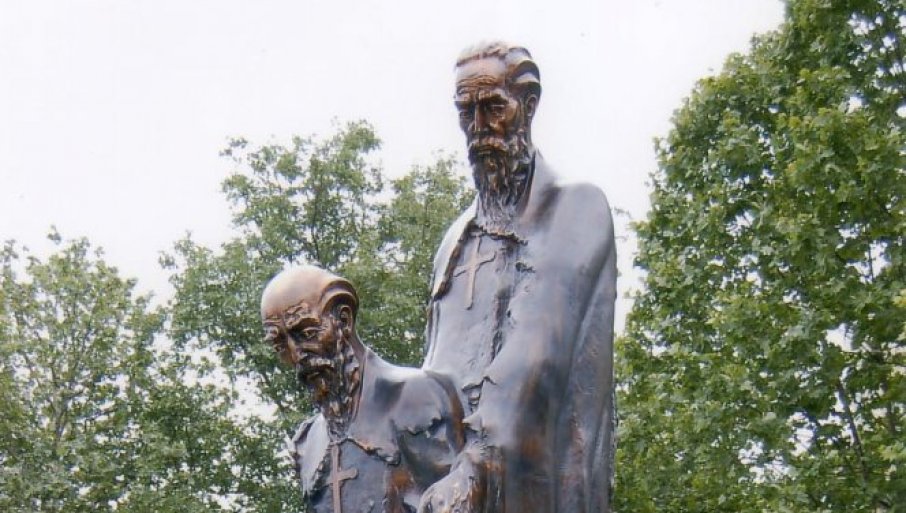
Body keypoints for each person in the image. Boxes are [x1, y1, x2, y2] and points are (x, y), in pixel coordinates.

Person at [418, 42, 618, 513]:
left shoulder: (574, 209)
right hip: (446, 490)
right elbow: (431, 376)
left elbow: (536, 356)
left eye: (493, 107)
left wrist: (474, 468)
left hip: (537, 492)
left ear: (528, 106)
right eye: (466, 112)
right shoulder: (454, 241)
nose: (479, 127)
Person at [261, 266, 464, 513]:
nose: (295, 355)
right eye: (280, 345)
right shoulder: (307, 442)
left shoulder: (415, 397)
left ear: (343, 320)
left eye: (307, 333)